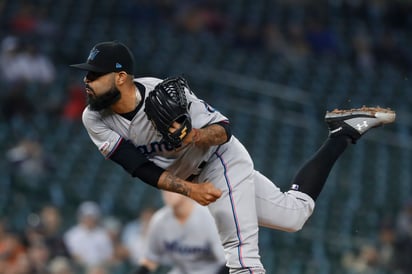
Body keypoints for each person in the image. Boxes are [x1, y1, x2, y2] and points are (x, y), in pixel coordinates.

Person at [70, 41, 396, 273]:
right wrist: (189, 190)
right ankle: (342, 133)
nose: (86, 81)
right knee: (293, 216)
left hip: (220, 158)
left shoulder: (164, 93)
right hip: (194, 179)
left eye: (93, 75)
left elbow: (223, 128)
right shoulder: (94, 118)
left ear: (121, 77)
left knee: (242, 259)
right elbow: (137, 166)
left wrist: (194, 135)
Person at [134, 190, 228, 274]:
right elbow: (150, 260)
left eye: (172, 189)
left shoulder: (207, 217)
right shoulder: (160, 220)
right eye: (164, 189)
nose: (168, 193)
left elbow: (226, 263)